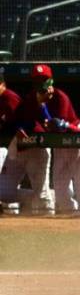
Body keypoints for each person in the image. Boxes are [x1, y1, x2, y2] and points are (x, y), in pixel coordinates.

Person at [13, 64, 80, 215]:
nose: (41, 83)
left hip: (74, 137)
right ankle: (71, 216)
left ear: (51, 81)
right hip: (59, 143)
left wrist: (43, 107)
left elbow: (57, 127)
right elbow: (23, 118)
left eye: (44, 79)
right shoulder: (31, 98)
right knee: (60, 189)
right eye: (38, 80)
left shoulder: (60, 97)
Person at [0, 75, 21, 207]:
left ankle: (46, 205)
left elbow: (20, 122)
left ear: (3, 84)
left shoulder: (9, 97)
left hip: (24, 143)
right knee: (5, 191)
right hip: (10, 146)